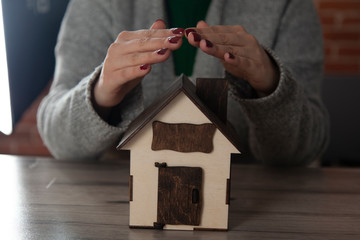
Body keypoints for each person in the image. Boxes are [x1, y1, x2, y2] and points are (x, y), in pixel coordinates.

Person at [37, 0, 329, 166]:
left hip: (253, 212)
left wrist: (271, 84)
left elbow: (308, 147)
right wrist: (102, 92)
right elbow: (57, 138)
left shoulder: (288, 5)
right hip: (121, 215)